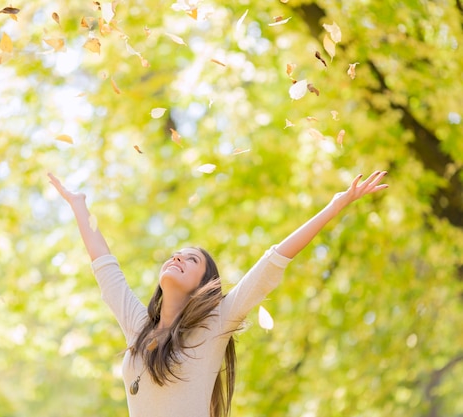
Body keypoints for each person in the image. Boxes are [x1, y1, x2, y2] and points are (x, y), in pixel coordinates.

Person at [48, 170, 388, 417]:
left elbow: (272, 261)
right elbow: (106, 268)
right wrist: (78, 205)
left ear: (203, 284)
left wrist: (334, 206)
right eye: (175, 254)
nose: (177, 257)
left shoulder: (214, 326)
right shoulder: (139, 328)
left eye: (191, 259)